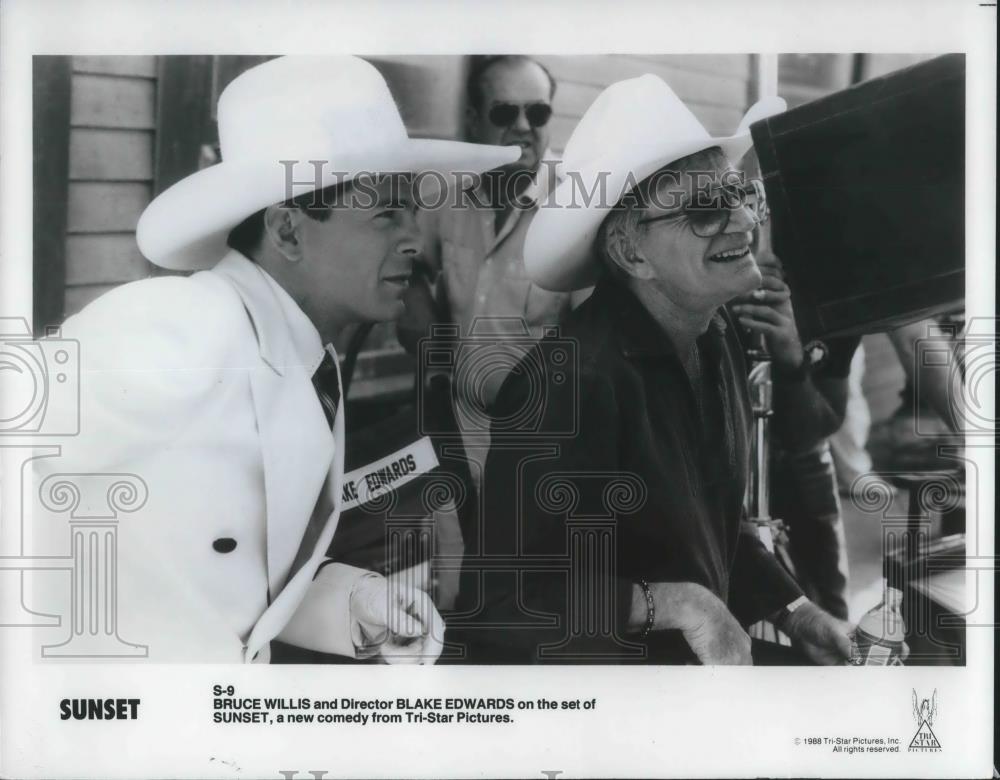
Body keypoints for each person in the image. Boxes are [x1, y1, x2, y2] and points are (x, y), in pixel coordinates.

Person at [34, 56, 518, 663]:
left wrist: (358, 603)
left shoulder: (311, 360)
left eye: (413, 210)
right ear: (288, 231)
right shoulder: (180, 324)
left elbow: (248, 581)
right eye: (385, 212)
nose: (415, 239)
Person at [455, 74, 853, 665]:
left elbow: (711, 528)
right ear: (630, 252)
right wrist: (678, 604)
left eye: (739, 195)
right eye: (703, 209)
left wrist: (797, 612)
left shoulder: (716, 337)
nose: (742, 222)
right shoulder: (566, 385)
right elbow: (505, 602)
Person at [397, 55, 577, 485]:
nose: (522, 126)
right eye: (503, 112)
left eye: (537, 112)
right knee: (453, 555)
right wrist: (432, 351)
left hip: (544, 456)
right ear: (474, 120)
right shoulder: (448, 195)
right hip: (453, 443)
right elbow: (409, 269)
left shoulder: (578, 205)